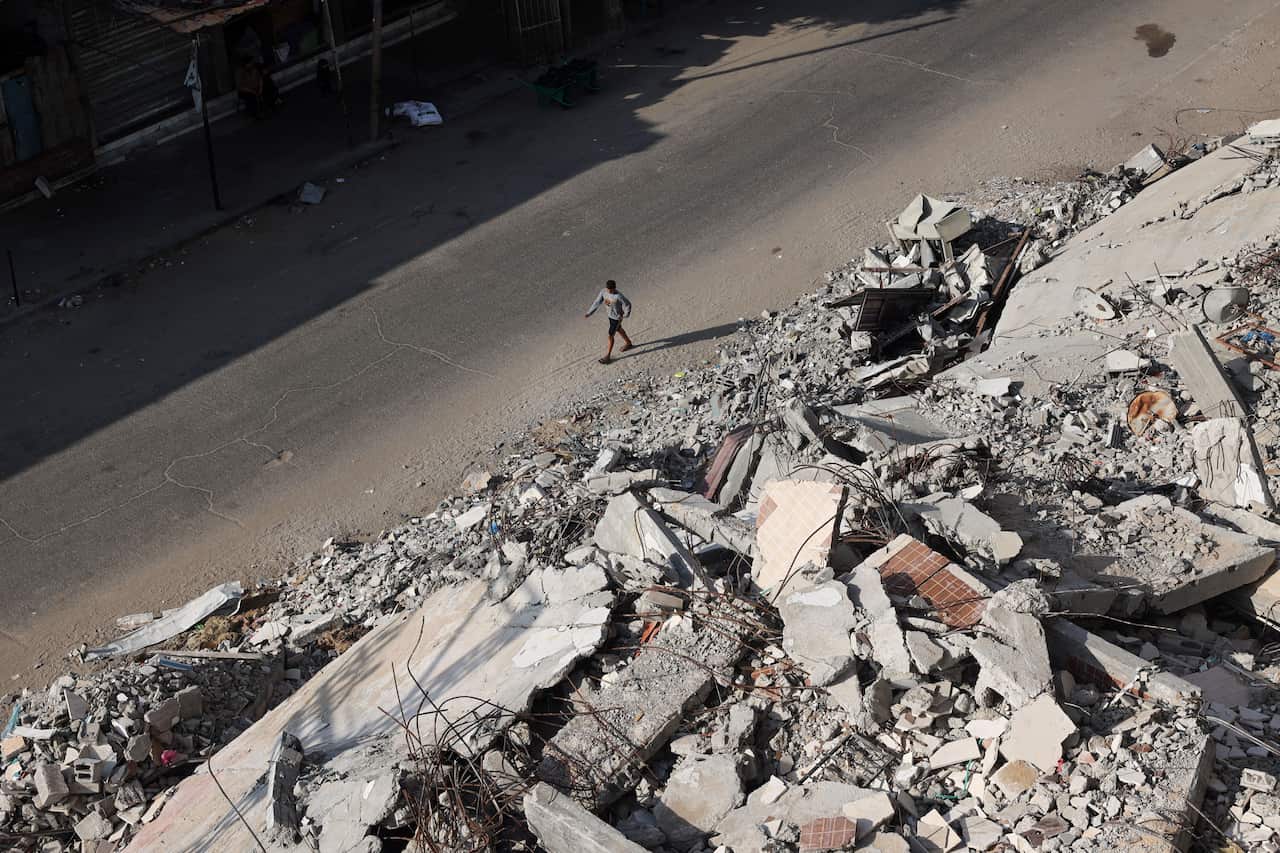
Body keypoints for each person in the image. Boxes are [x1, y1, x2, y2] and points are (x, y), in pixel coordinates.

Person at [584, 280, 633, 364]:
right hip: (610, 316)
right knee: (618, 329)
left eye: (611, 290)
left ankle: (608, 356)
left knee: (610, 335)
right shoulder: (603, 291)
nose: (609, 291)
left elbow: (628, 304)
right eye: (608, 289)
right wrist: (590, 312)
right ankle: (628, 343)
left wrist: (626, 315)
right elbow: (597, 302)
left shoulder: (618, 296)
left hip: (617, 318)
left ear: (615, 288)